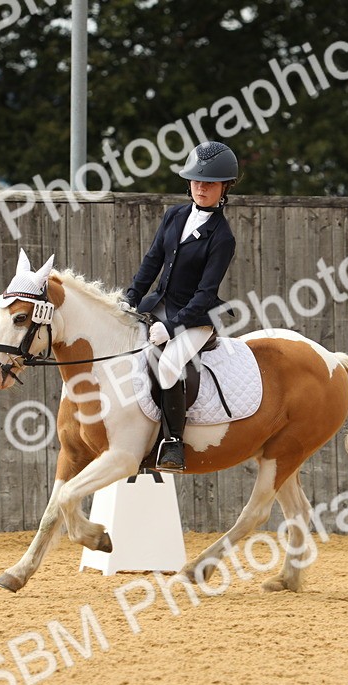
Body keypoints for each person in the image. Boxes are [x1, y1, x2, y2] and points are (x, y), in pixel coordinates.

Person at [122, 140, 239, 472]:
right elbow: (152, 262)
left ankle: (172, 442)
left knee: (170, 363)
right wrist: (131, 298)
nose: (201, 188)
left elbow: (205, 293)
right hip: (159, 304)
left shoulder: (222, 237)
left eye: (210, 183)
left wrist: (171, 327)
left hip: (196, 317)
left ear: (224, 187)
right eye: (197, 181)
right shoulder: (174, 215)